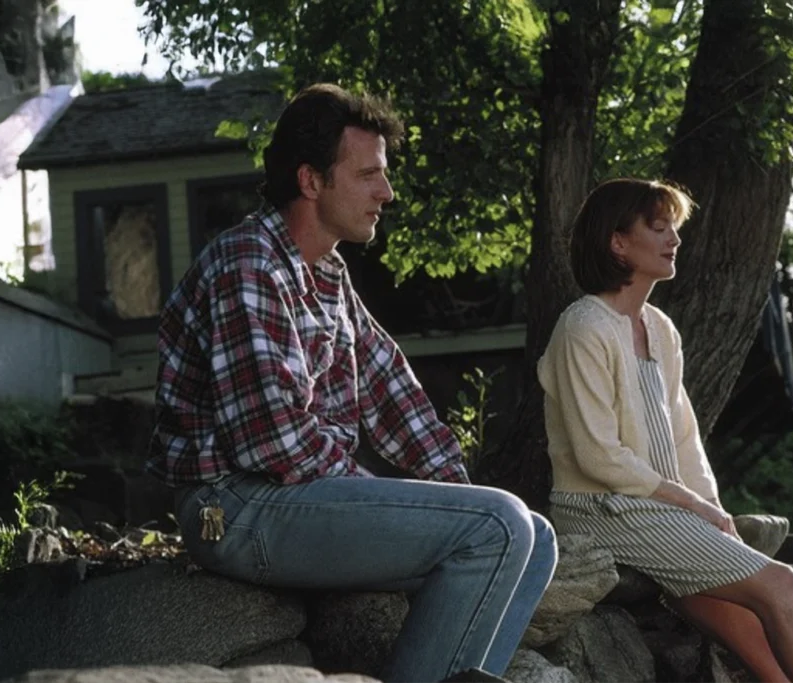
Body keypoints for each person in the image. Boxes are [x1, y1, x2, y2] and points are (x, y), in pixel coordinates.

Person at [147, 83, 557, 683]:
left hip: (294, 495)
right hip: (234, 507)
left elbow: (394, 395)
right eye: (368, 175)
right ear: (311, 180)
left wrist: (456, 494)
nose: (386, 192)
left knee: (532, 538)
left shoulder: (328, 274)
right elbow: (274, 442)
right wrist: (389, 498)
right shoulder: (249, 264)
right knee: (497, 527)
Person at [537, 178, 793, 683]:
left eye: (674, 227)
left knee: (753, 632)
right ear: (618, 243)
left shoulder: (661, 328)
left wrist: (712, 511)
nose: (675, 239)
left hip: (659, 511)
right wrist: (691, 505)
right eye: (658, 227)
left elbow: (685, 439)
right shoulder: (583, 327)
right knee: (781, 584)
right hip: (599, 510)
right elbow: (598, 456)